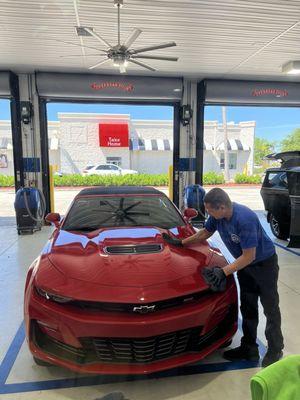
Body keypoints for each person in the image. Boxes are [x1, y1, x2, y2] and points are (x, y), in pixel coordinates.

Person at [162, 188, 284, 367]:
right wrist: (181, 242)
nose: (208, 214)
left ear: (222, 207)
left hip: (264, 265)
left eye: (210, 210)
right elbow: (205, 232)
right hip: (245, 266)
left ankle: (275, 348)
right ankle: (249, 349)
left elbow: (249, 255)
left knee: (270, 307)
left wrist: (223, 271)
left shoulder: (245, 218)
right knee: (248, 307)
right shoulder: (217, 217)